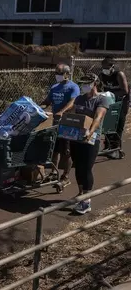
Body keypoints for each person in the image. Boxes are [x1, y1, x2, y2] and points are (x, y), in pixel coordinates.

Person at [70, 74, 109, 215]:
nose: (83, 86)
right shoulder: (80, 98)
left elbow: (98, 117)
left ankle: (86, 201)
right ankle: (81, 194)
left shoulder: (101, 99)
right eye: (82, 83)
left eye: (86, 83)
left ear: (94, 84)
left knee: (86, 168)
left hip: (91, 139)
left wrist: (90, 132)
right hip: (76, 138)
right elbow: (73, 114)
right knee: (78, 166)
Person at [40, 64, 80, 185]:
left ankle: (66, 176)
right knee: (54, 149)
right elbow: (47, 101)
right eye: (56, 73)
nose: (58, 76)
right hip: (56, 123)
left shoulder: (73, 87)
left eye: (60, 73)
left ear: (67, 74)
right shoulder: (55, 87)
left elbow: (73, 102)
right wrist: (38, 108)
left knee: (66, 151)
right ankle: (53, 172)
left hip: (68, 123)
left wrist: (62, 112)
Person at [99, 56, 129, 158]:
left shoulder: (119, 75)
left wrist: (111, 93)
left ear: (112, 66)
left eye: (106, 67)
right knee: (108, 123)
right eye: (102, 67)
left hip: (121, 102)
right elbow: (99, 88)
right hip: (110, 101)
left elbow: (125, 91)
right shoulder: (102, 75)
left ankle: (116, 148)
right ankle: (108, 145)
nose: (104, 69)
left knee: (118, 124)